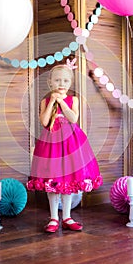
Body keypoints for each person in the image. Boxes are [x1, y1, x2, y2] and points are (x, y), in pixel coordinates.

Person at [27, 59, 103, 232]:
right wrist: (52, 101)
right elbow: (45, 122)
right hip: (51, 144)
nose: (61, 84)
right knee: (52, 179)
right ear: (50, 82)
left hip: (71, 144)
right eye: (57, 80)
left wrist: (61, 102)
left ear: (71, 83)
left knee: (69, 180)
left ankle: (67, 217)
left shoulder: (73, 99)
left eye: (66, 81)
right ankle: (54, 218)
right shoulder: (45, 102)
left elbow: (73, 119)